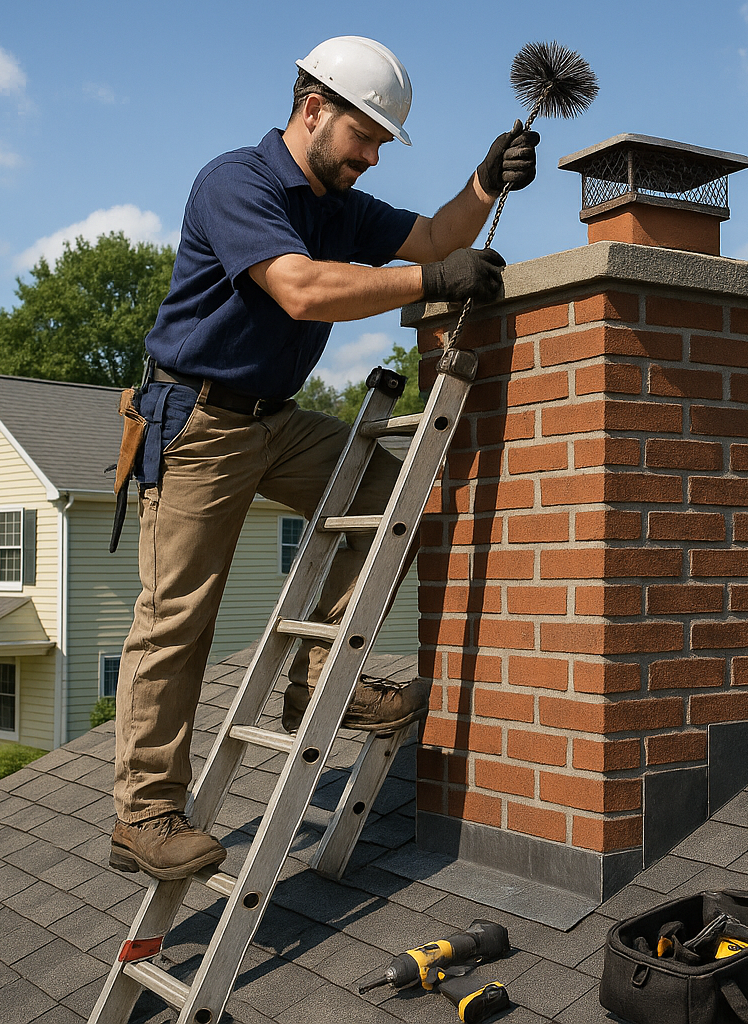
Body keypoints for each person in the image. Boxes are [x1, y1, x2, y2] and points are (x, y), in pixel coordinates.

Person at [109, 36, 539, 881]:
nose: (372, 158)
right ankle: (145, 814)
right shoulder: (235, 182)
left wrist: (486, 181)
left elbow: (436, 238)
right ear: (314, 109)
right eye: (365, 138)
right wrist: (433, 285)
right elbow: (302, 288)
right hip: (199, 422)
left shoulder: (340, 200)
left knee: (395, 495)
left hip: (277, 419)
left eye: (382, 145)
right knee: (176, 619)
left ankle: (319, 683)